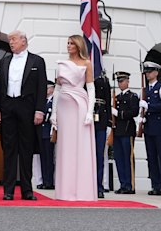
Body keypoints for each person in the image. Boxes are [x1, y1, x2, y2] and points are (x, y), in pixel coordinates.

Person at [0, 30, 47, 201]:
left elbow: (41, 87)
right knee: (9, 150)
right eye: (10, 40)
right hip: (8, 107)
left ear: (24, 41)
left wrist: (40, 110)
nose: (11, 42)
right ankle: (8, 190)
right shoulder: (5, 60)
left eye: (14, 39)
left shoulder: (37, 61)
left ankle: (27, 190)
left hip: (27, 108)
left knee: (26, 150)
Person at [49, 35, 97, 201]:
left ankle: (82, 191)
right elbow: (56, 90)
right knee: (65, 148)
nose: (68, 46)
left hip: (80, 106)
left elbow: (91, 89)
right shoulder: (61, 64)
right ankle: (65, 191)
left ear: (78, 46)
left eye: (71, 43)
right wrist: (54, 113)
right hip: (63, 107)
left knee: (81, 146)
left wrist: (90, 112)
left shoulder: (86, 63)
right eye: (67, 43)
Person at [140, 61, 161, 195]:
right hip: (148, 127)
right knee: (151, 157)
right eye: (146, 72)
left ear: (156, 73)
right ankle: (155, 184)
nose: (148, 74)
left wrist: (149, 107)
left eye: (150, 71)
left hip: (159, 127)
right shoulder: (146, 90)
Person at [111, 71, 139, 194]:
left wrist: (119, 114)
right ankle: (123, 184)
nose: (120, 83)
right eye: (119, 81)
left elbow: (134, 112)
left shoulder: (132, 96)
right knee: (119, 159)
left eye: (122, 81)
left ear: (128, 81)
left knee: (128, 159)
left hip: (127, 131)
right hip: (117, 131)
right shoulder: (116, 98)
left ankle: (130, 185)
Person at [94, 73, 111, 198]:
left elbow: (108, 100)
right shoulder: (84, 75)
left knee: (100, 155)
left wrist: (109, 122)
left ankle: (99, 187)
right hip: (87, 118)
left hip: (101, 120)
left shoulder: (104, 81)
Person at [37, 80, 55, 190]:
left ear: (52, 89)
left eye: (47, 88)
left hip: (49, 132)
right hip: (43, 133)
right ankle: (44, 180)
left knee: (49, 158)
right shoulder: (44, 101)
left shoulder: (54, 101)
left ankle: (49, 181)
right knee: (43, 158)